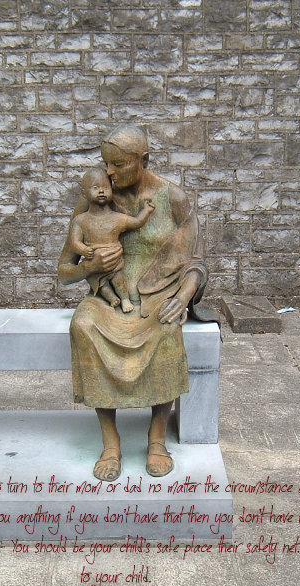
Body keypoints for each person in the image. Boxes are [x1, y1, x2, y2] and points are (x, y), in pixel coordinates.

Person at [58, 124, 210, 481]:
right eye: (105, 164)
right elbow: (64, 271)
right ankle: (110, 443)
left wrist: (183, 298)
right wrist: (90, 268)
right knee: (83, 325)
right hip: (109, 297)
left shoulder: (173, 198)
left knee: (167, 329)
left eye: (118, 164)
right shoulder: (95, 199)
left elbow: (197, 263)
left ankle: (157, 438)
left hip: (159, 296)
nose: (109, 173)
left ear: (144, 160)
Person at [68, 167, 156, 313]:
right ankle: (111, 299)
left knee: (119, 282)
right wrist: (83, 249)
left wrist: (146, 211)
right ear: (84, 193)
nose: (101, 191)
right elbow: (74, 242)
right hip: (92, 263)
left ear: (112, 190)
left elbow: (136, 222)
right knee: (101, 285)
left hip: (114, 263)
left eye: (106, 187)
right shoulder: (80, 220)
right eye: (95, 188)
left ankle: (125, 299)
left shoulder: (117, 218)